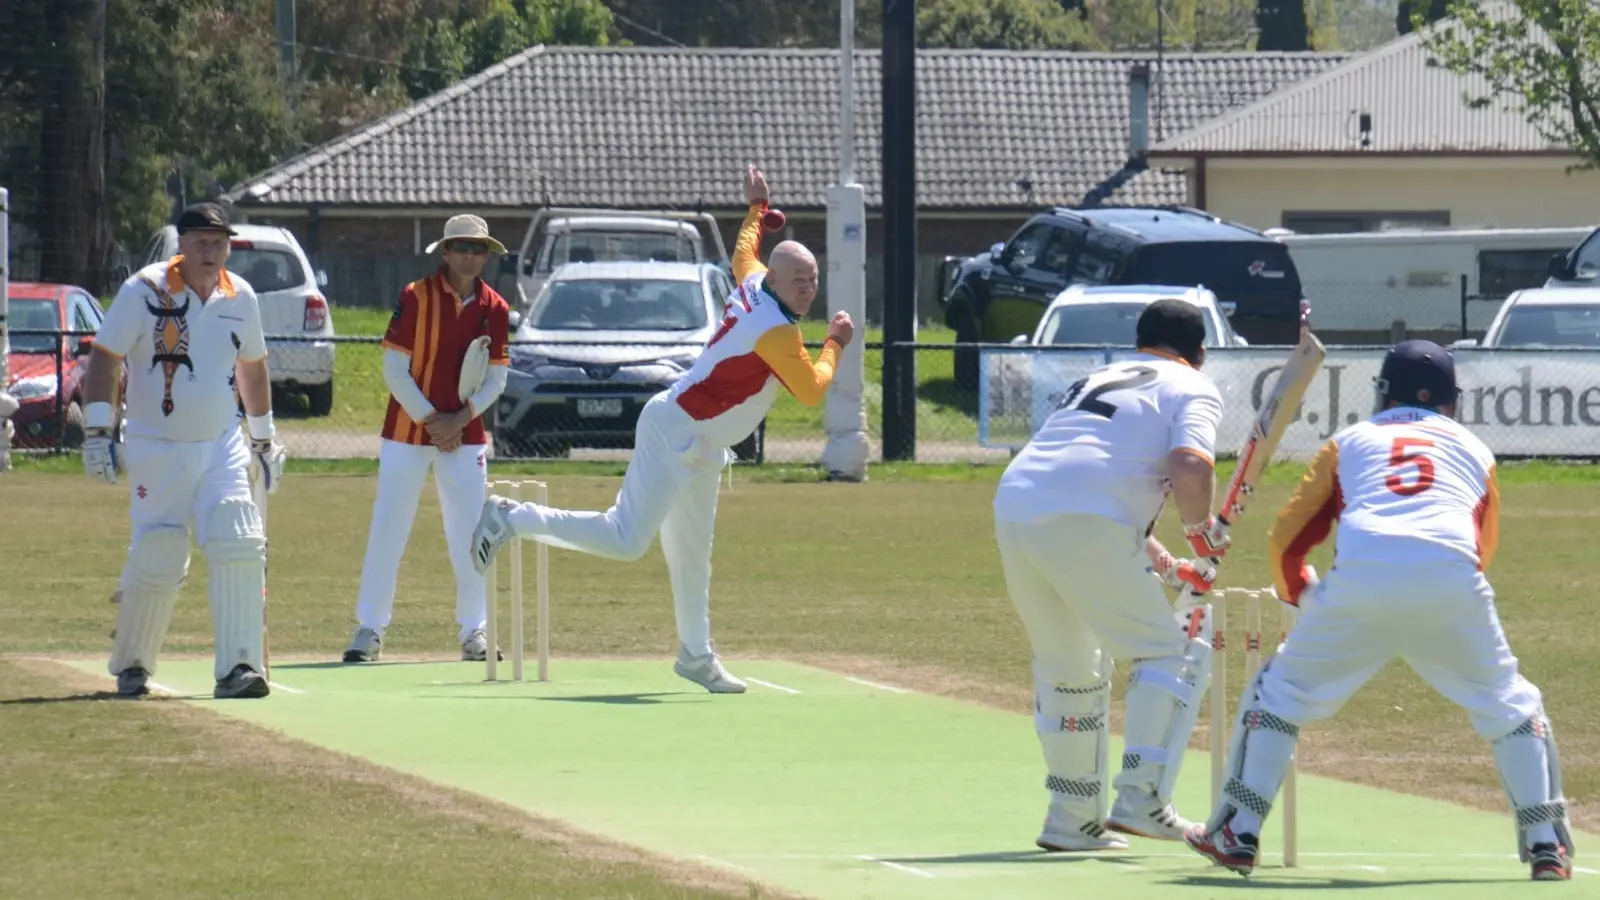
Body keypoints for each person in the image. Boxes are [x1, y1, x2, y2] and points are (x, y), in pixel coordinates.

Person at [1186, 339, 1574, 881]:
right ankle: (1546, 844)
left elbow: (1287, 540)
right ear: (1448, 400)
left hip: (1361, 583)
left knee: (1279, 694)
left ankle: (1238, 830)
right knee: (1512, 707)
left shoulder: (1349, 442)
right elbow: (1480, 546)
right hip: (1453, 582)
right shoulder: (1476, 451)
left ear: (1384, 393)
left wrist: (1304, 597)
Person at [467, 165, 854, 693]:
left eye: (814, 280)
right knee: (626, 539)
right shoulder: (778, 331)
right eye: (801, 282)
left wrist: (757, 210)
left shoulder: (753, 279)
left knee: (693, 556)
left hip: (701, 441)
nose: (810, 290)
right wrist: (835, 342)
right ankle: (512, 517)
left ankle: (696, 655)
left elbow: (743, 249)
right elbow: (811, 390)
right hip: (675, 428)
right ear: (779, 281)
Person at [991, 298, 1231, 851]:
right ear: (1200, 353)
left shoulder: (1099, 376)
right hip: (1084, 518)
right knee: (1175, 649)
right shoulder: (1192, 385)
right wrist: (1203, 531)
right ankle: (1143, 797)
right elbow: (1190, 465)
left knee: (1070, 667)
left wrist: (1159, 553)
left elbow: (1082, 468)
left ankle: (1071, 818)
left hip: (1019, 505)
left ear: (1140, 341)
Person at [82, 201, 286, 699]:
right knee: (161, 551)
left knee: (238, 536)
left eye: (219, 243)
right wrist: (96, 430)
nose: (210, 252)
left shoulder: (241, 296)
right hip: (157, 446)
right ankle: (132, 662)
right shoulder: (144, 290)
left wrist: (263, 437)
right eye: (200, 242)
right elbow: (105, 358)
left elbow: (252, 368)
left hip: (221, 444)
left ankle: (239, 668)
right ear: (182, 244)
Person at [343, 215, 512, 663]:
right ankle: (369, 629)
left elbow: (496, 380)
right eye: (462, 248)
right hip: (407, 430)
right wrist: (434, 421)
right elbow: (394, 370)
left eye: (478, 250)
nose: (471, 257)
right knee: (390, 527)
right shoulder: (414, 297)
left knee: (472, 533)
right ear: (446, 251)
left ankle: (475, 630)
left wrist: (458, 420)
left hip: (466, 433)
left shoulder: (495, 307)